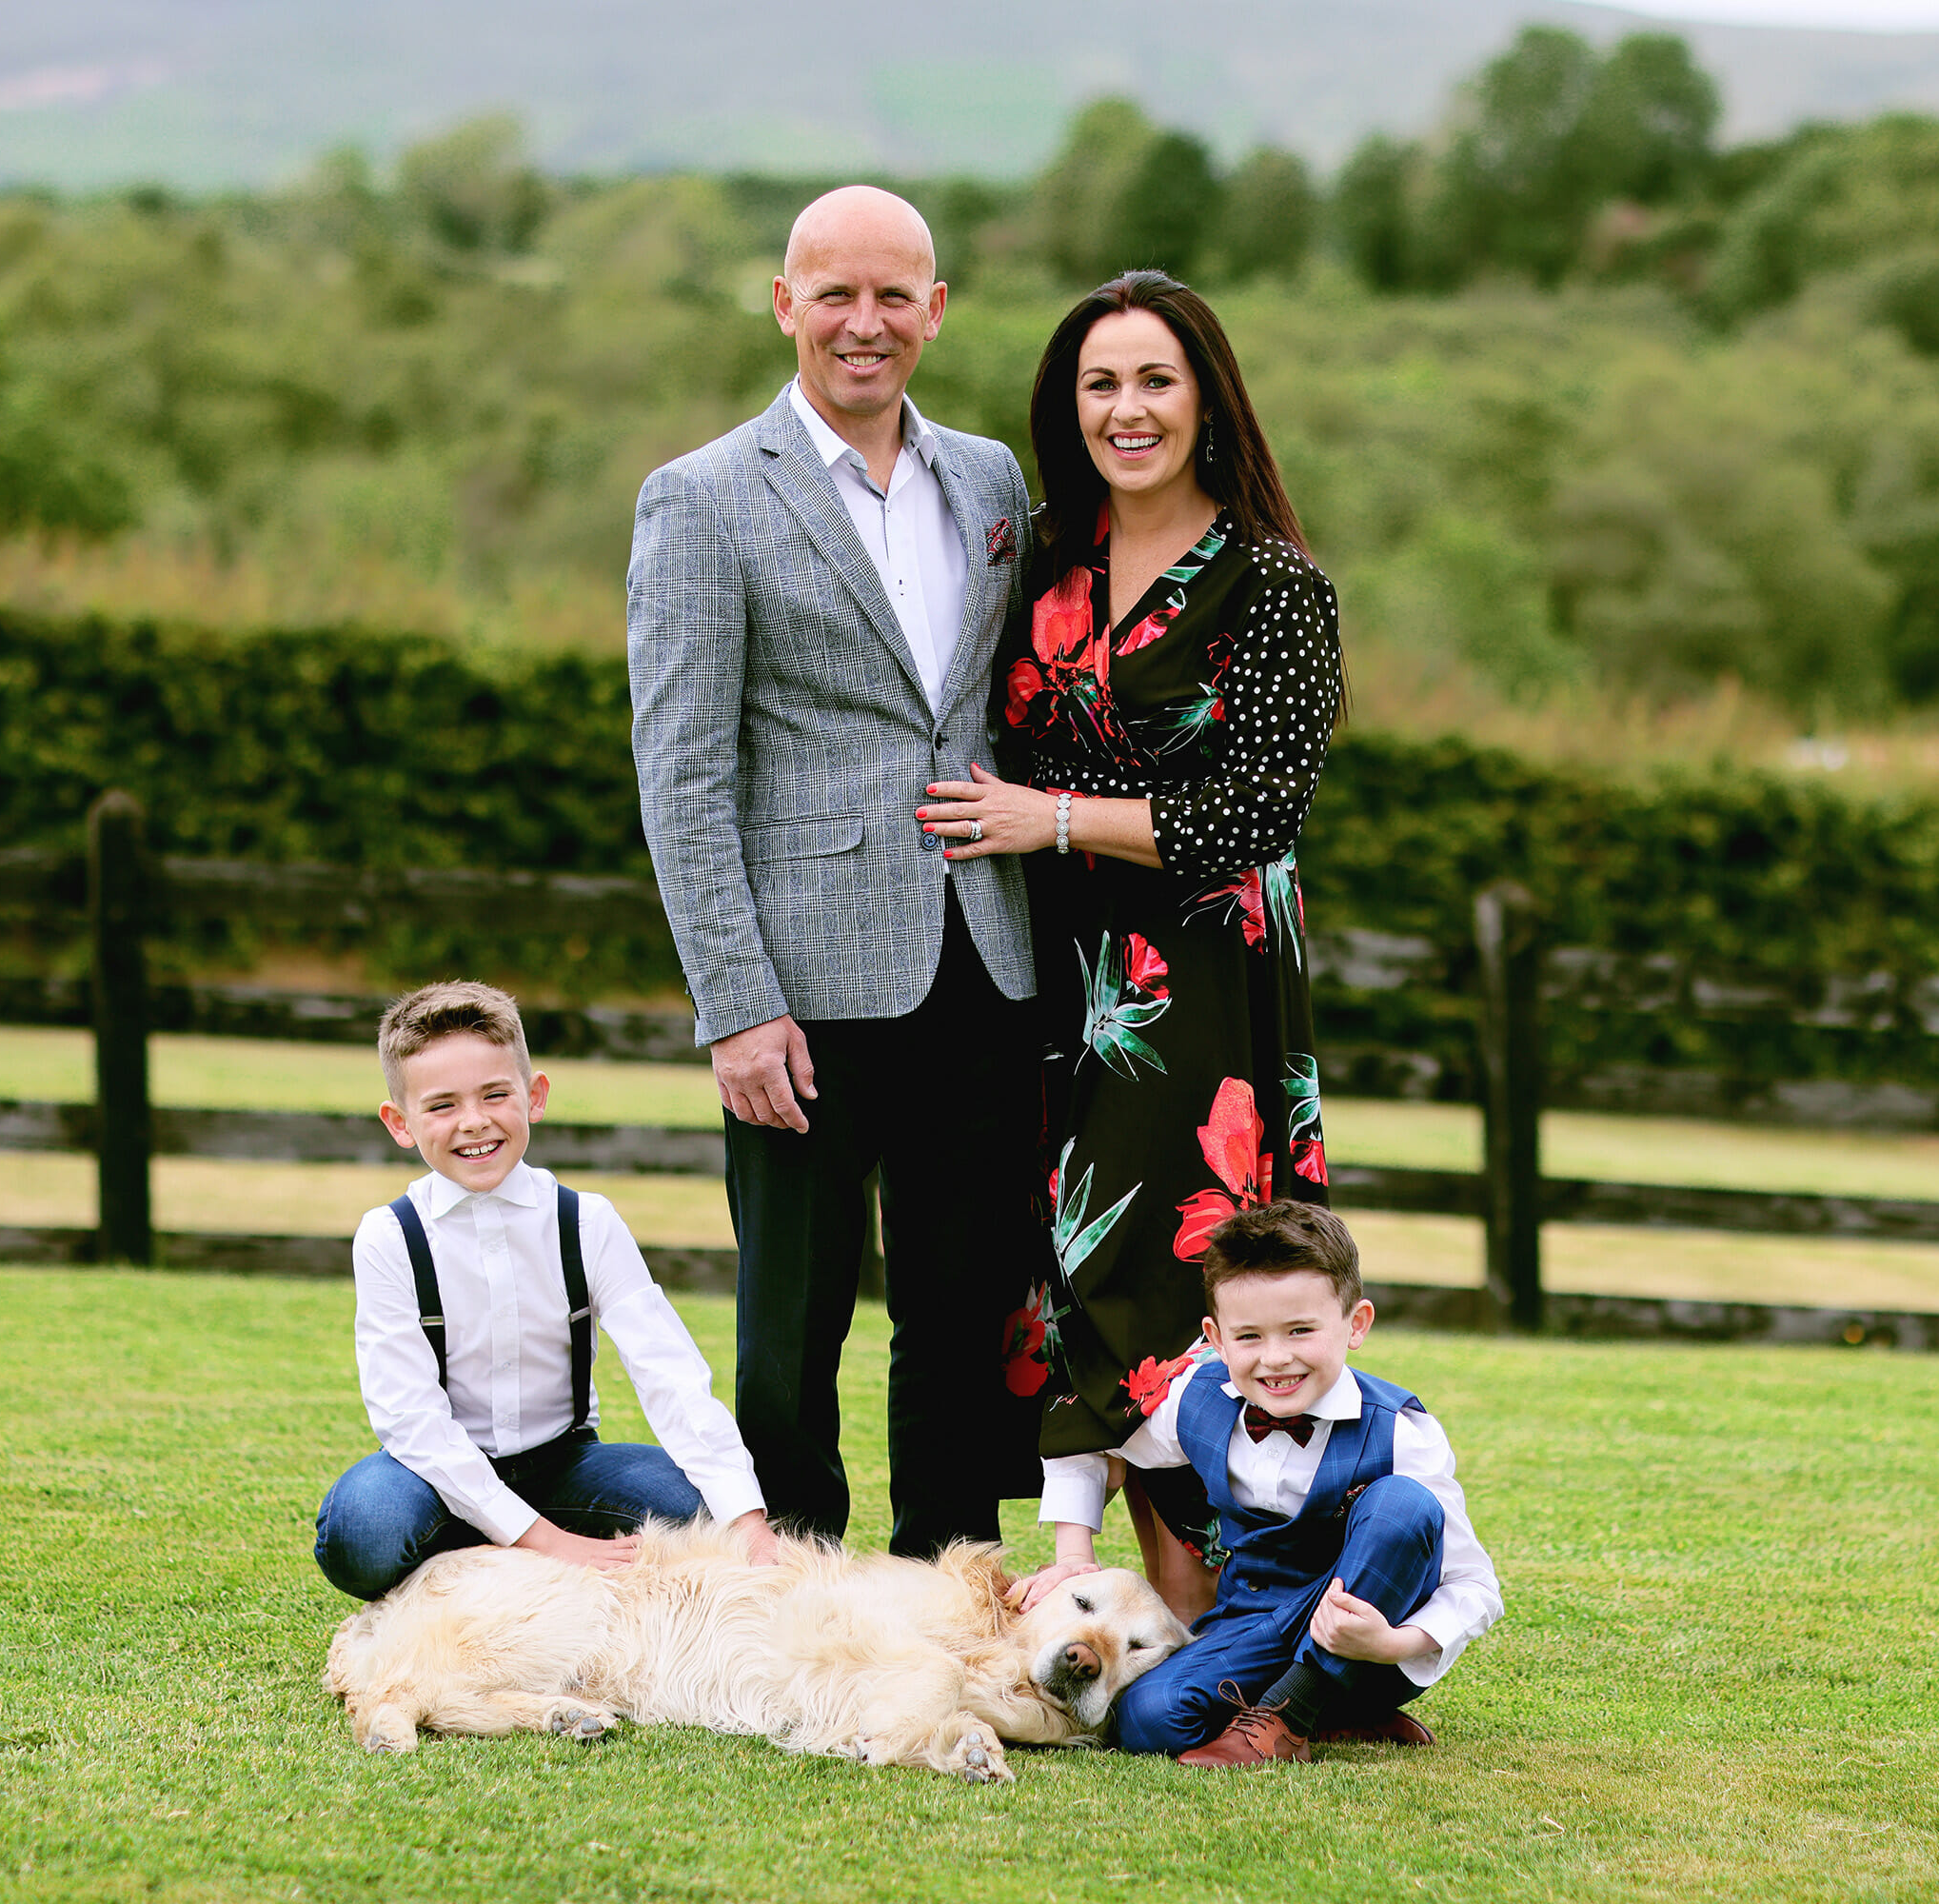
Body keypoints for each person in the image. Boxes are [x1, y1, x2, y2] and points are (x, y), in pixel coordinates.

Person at [626, 186, 1046, 1558]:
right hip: (798, 986)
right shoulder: (699, 498)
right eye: (834, 294)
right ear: (783, 304)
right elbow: (683, 775)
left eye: (892, 295)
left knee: (961, 1304)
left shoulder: (989, 479)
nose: (864, 324)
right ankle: (788, 1584)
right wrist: (735, 1003)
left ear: (936, 309)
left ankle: (949, 1577)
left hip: (981, 956)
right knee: (790, 1323)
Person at [918, 268, 1343, 1622]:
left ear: (1208, 398)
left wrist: (1049, 817)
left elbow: (1256, 813)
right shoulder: (1042, 557)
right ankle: (1119, 1614)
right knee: (1058, 1271)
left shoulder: (1273, 586)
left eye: (1156, 379)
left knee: (1166, 1271)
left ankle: (1224, 1621)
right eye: (1099, 383)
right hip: (1044, 962)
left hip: (1194, 977)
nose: (1128, 408)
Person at [313, 982, 776, 1600]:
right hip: (433, 1477)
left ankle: (490, 1562)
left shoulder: (586, 1221)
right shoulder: (389, 1236)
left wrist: (746, 1521)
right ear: (400, 1124)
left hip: (565, 1466)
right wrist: (547, 1541)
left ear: (534, 1096)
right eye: (442, 1105)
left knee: (695, 1507)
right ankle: (510, 1552)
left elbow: (669, 1372)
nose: (474, 1122)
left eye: (495, 1094)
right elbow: (410, 1420)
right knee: (364, 1531)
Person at [1020, 1201, 1503, 1766]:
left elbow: (1475, 1585)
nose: (1275, 1359)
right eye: (1249, 1336)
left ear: (1356, 1324)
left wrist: (1392, 1643)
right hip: (1252, 1626)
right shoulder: (1199, 1401)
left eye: (1301, 1330)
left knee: (1403, 1506)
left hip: (1364, 1632)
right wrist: (1074, 1553)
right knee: (1148, 1717)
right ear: (1216, 1338)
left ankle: (1290, 1718)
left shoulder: (1400, 1432)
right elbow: (1086, 1427)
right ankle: (1333, 1714)